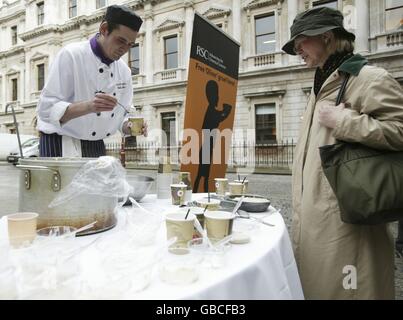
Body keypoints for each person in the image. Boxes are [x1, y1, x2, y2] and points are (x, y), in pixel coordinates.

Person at [282, 7, 403, 299]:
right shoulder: (320, 85)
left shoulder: (369, 77)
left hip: (349, 226)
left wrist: (344, 122)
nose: (297, 50)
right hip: (315, 223)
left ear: (326, 37)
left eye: (301, 41)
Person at [37, 5, 146, 157]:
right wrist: (89, 106)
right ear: (104, 29)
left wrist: (129, 126)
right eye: (120, 40)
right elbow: (46, 110)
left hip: (96, 145)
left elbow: (123, 113)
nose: (124, 49)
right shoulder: (71, 55)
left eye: (130, 44)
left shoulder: (124, 71)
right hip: (60, 142)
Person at [193, 80, 232, 192]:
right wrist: (227, 109)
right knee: (202, 176)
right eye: (216, 94)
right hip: (206, 149)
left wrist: (225, 111)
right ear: (213, 96)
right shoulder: (211, 110)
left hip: (207, 148)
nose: (218, 97)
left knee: (203, 176)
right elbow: (221, 116)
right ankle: (198, 193)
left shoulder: (211, 110)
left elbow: (220, 116)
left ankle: (201, 193)